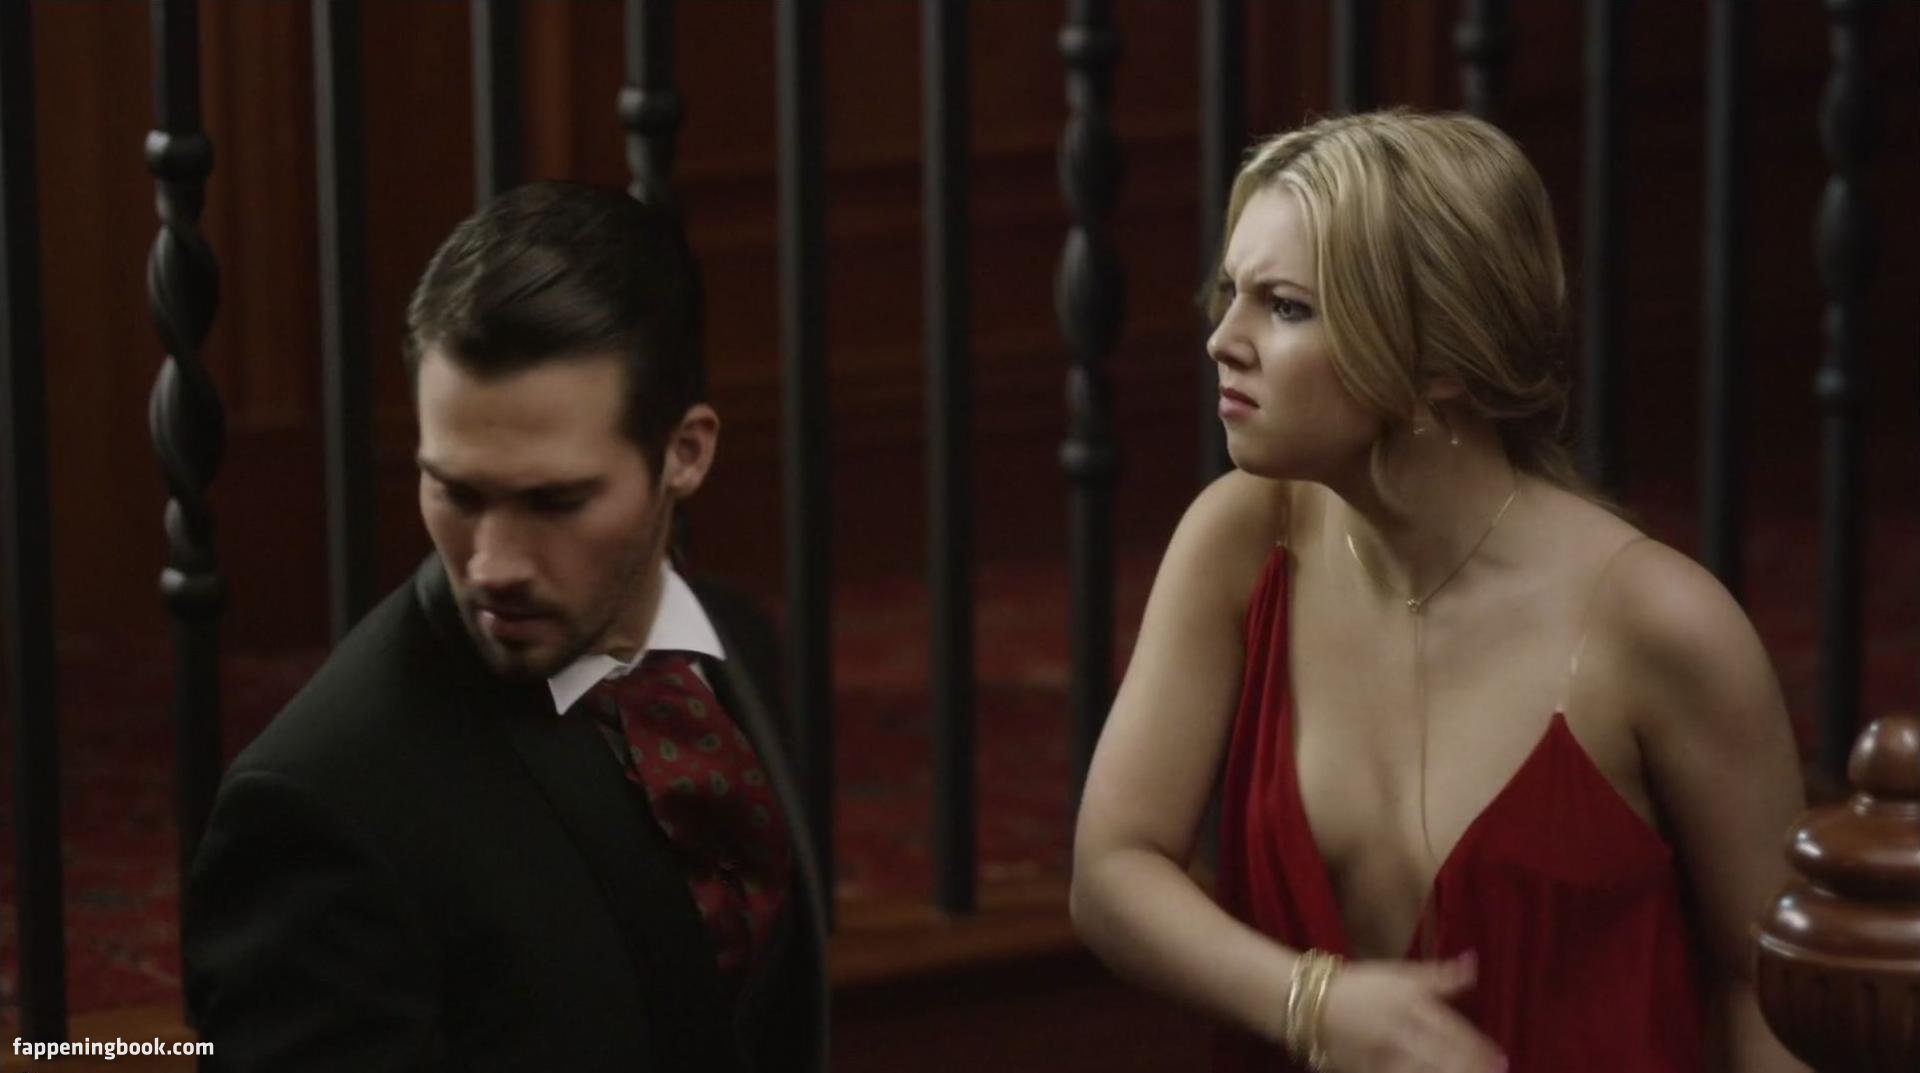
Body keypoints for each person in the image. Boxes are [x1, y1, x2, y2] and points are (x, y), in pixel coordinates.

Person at [1070, 111, 1808, 1073]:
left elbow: (1772, 983)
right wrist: (1312, 1004)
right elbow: (1112, 869)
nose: (1222, 340)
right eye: (1229, 294)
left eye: (1284, 307)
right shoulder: (1240, 537)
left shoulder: (1662, 624)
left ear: (1441, 362)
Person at [184, 181, 827, 1073]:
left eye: (555, 500)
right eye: (456, 491)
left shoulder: (737, 643)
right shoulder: (321, 804)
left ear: (686, 452)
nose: (493, 564)